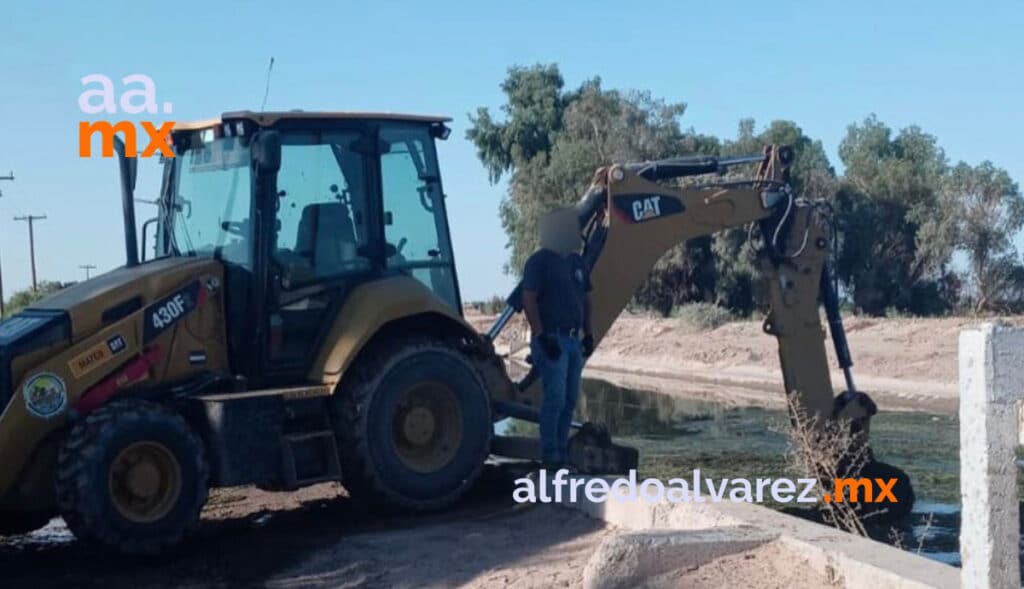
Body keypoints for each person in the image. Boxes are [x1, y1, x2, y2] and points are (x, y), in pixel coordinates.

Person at [522, 207, 595, 469]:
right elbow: (528, 299)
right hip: (552, 338)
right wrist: (541, 337)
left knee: (570, 399)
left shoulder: (577, 263)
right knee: (554, 398)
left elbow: (586, 299)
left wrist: (588, 333)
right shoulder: (538, 262)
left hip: (574, 341)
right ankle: (550, 454)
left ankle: (562, 450)